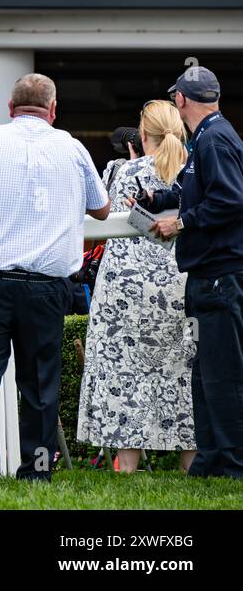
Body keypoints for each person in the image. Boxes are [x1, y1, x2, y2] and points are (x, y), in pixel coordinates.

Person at [0, 73, 110, 485]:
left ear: (10, 109)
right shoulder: (72, 147)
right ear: (53, 110)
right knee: (41, 379)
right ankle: (38, 469)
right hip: (47, 286)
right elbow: (101, 209)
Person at [77, 100, 195, 472]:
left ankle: (125, 466)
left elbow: (99, 216)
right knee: (184, 371)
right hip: (180, 283)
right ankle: (190, 462)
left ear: (143, 135)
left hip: (123, 289)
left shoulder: (124, 171)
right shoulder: (195, 172)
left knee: (124, 373)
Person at [138, 67, 243, 478]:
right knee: (207, 372)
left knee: (224, 374)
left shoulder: (215, 139)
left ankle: (230, 463)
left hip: (220, 274)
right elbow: (195, 191)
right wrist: (156, 197)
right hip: (209, 276)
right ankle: (213, 459)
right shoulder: (210, 138)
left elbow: (231, 200)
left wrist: (178, 224)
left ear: (180, 100)